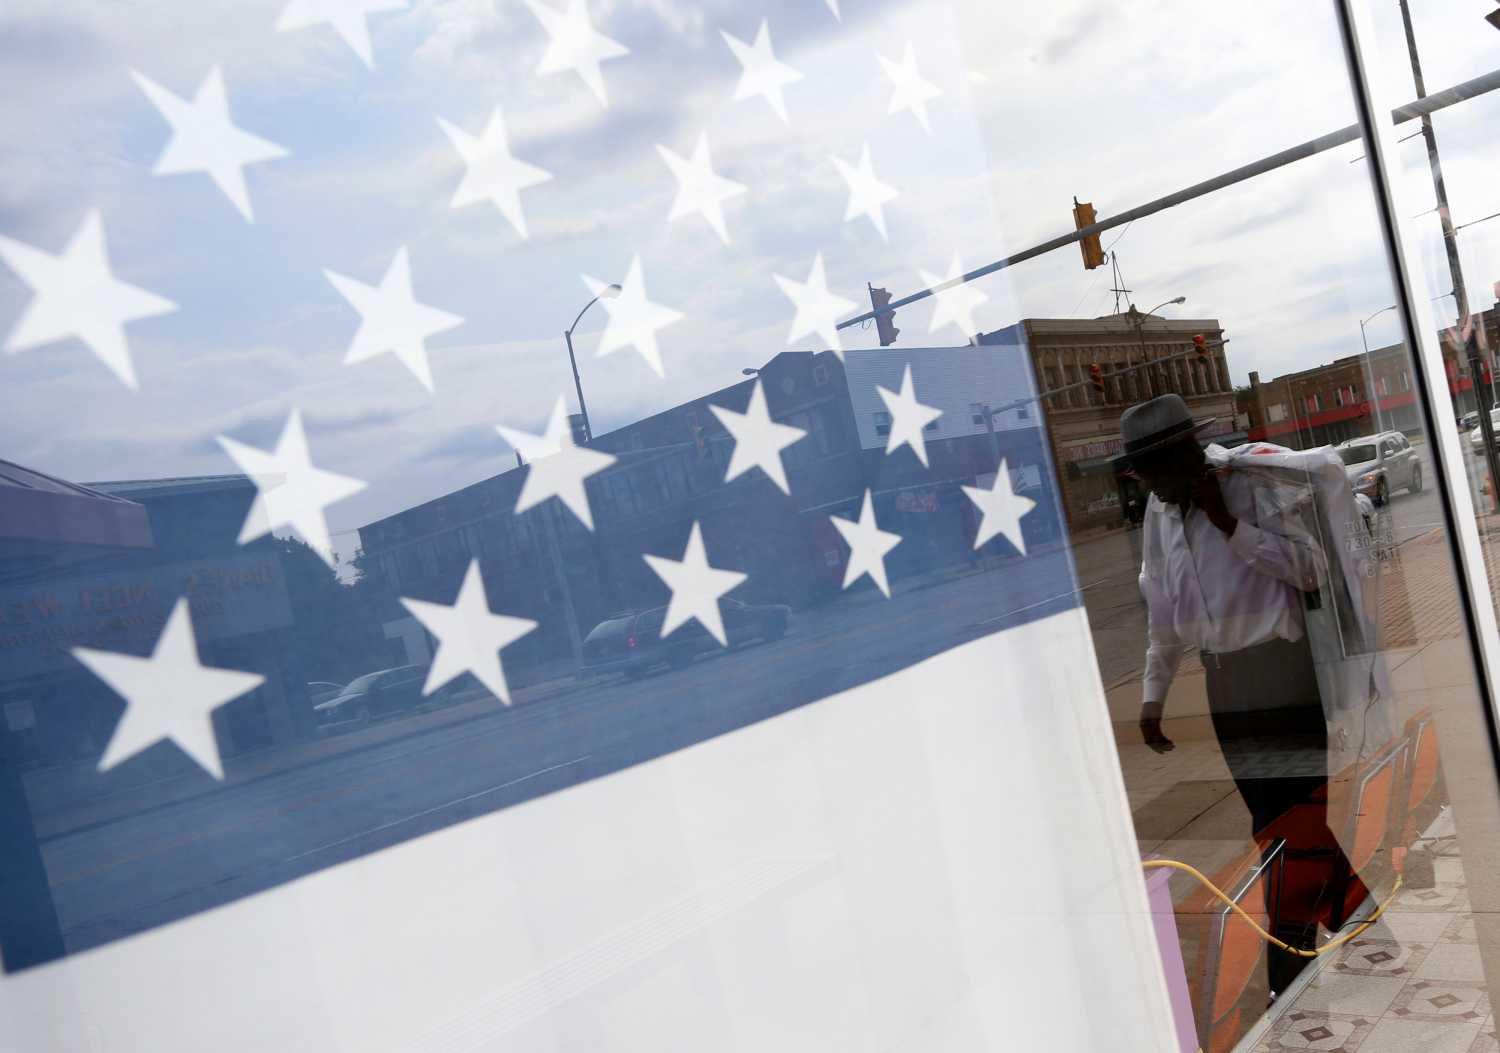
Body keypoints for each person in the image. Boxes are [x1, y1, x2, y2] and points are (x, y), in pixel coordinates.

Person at [1120, 394, 1358, 992]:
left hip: (1284, 673)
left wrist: (1230, 525)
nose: (1150, 485)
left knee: (1285, 827)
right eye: (1144, 475)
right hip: (1225, 684)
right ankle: (1363, 917)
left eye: (1156, 471)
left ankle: (1290, 969)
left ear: (1189, 456)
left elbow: (1313, 570)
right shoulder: (1158, 509)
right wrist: (1155, 694)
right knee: (1282, 823)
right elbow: (1163, 609)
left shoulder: (1252, 484)